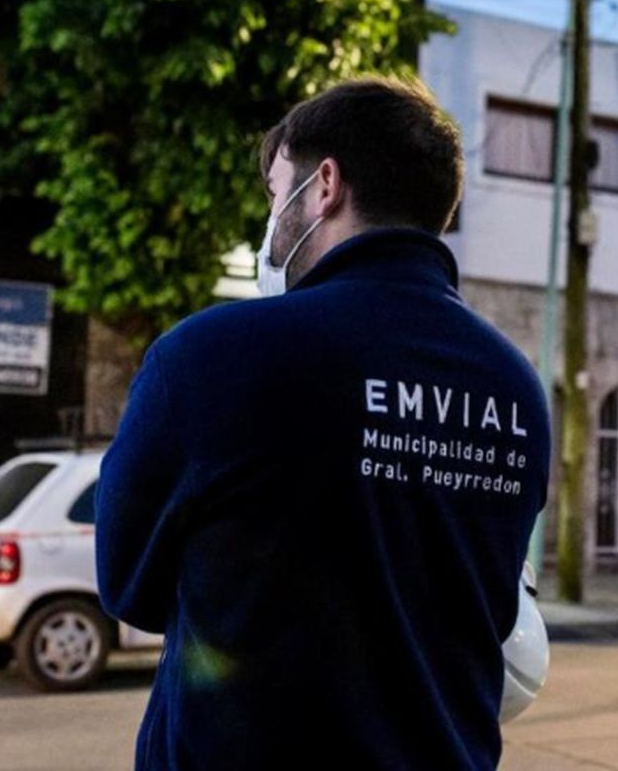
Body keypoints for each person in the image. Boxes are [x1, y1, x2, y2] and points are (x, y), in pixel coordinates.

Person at [95, 76, 551, 770]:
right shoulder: (515, 388)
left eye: (277, 195)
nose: (271, 223)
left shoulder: (209, 355)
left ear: (325, 185)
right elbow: (493, 609)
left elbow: (129, 587)